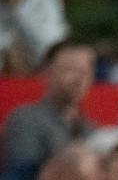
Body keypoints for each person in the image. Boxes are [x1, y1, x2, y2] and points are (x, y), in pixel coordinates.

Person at [1, 39, 95, 170]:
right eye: (71, 69)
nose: (79, 79)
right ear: (48, 72)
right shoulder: (25, 119)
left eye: (85, 72)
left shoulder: (93, 130)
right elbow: (19, 177)